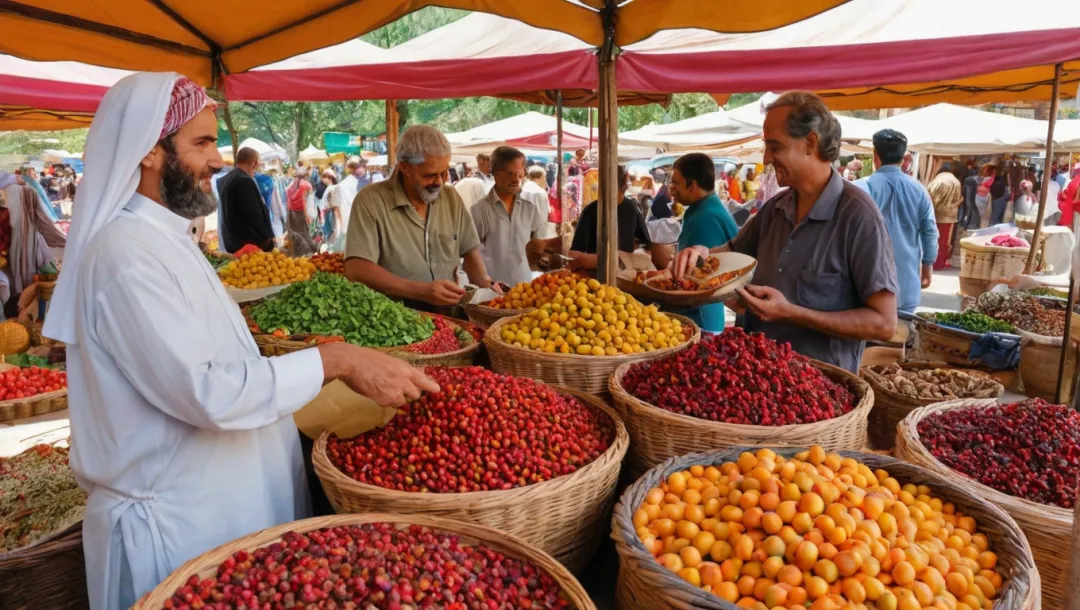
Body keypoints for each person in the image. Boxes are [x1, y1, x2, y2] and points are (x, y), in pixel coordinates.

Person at [41, 73, 438, 610]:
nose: (218, 158)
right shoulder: (124, 256)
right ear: (148, 153)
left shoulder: (165, 239)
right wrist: (336, 359)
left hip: (220, 510)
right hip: (180, 529)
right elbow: (209, 391)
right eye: (201, 143)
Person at [673, 90, 898, 373]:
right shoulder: (776, 207)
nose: (767, 158)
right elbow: (730, 254)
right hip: (757, 383)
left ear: (810, 143)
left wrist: (791, 313)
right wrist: (702, 254)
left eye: (775, 147)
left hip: (821, 396)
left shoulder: (859, 217)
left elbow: (884, 324)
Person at [345, 125, 493, 310]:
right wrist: (420, 291)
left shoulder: (450, 197)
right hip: (396, 323)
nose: (439, 182)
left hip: (450, 319)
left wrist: (488, 288)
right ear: (405, 167)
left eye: (444, 173)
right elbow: (356, 268)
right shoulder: (371, 201)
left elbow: (470, 251)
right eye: (430, 175)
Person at [854, 129, 937, 314]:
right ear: (904, 158)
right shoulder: (919, 190)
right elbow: (930, 231)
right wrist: (927, 268)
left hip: (868, 286)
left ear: (875, 156)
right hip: (907, 286)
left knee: (870, 342)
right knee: (902, 339)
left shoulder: (860, 189)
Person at [668, 153, 741, 332]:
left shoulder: (705, 217)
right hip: (705, 315)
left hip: (701, 320)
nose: (671, 189)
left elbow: (693, 278)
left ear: (692, 185)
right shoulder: (704, 208)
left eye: (676, 183)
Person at [560, 165, 670, 273]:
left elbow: (646, 243)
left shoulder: (632, 208)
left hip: (625, 275)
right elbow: (575, 254)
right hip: (596, 276)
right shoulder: (591, 211)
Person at [470, 147, 550, 286]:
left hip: (525, 291)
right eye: (510, 174)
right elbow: (470, 255)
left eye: (519, 175)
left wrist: (544, 257)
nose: (515, 180)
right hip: (491, 292)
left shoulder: (529, 209)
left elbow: (540, 247)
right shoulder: (479, 210)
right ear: (494, 172)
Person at [218, 147, 274, 253]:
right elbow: (254, 215)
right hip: (249, 246)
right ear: (254, 163)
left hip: (232, 242)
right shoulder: (244, 181)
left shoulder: (225, 179)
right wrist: (268, 236)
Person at [927, 168, 963, 271]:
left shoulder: (936, 181)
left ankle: (932, 261)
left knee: (933, 238)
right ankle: (941, 262)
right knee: (945, 240)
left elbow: (929, 196)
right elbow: (958, 198)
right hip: (950, 216)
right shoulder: (956, 181)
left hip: (936, 213)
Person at [285, 166, 316, 255]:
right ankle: (309, 252)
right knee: (304, 233)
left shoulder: (291, 184)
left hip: (290, 212)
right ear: (305, 175)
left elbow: (287, 196)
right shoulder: (307, 185)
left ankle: (295, 253)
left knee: (293, 233)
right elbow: (307, 202)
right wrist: (309, 216)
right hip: (302, 212)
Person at [521, 165, 555, 238]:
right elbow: (542, 216)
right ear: (540, 177)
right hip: (537, 232)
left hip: (523, 230)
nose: (545, 179)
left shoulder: (523, 189)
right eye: (544, 177)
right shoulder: (540, 192)